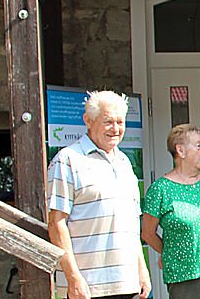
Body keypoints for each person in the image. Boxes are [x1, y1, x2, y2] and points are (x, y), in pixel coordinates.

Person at [46, 91, 151, 299]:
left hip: (127, 284)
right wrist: (73, 277)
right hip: (88, 288)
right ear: (88, 120)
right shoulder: (67, 160)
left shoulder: (124, 163)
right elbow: (56, 223)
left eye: (120, 122)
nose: (116, 129)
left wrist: (142, 270)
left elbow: (131, 225)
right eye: (108, 122)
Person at [141, 124, 200, 299]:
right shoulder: (161, 189)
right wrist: (169, 253)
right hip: (184, 272)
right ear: (181, 151)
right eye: (198, 146)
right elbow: (147, 233)